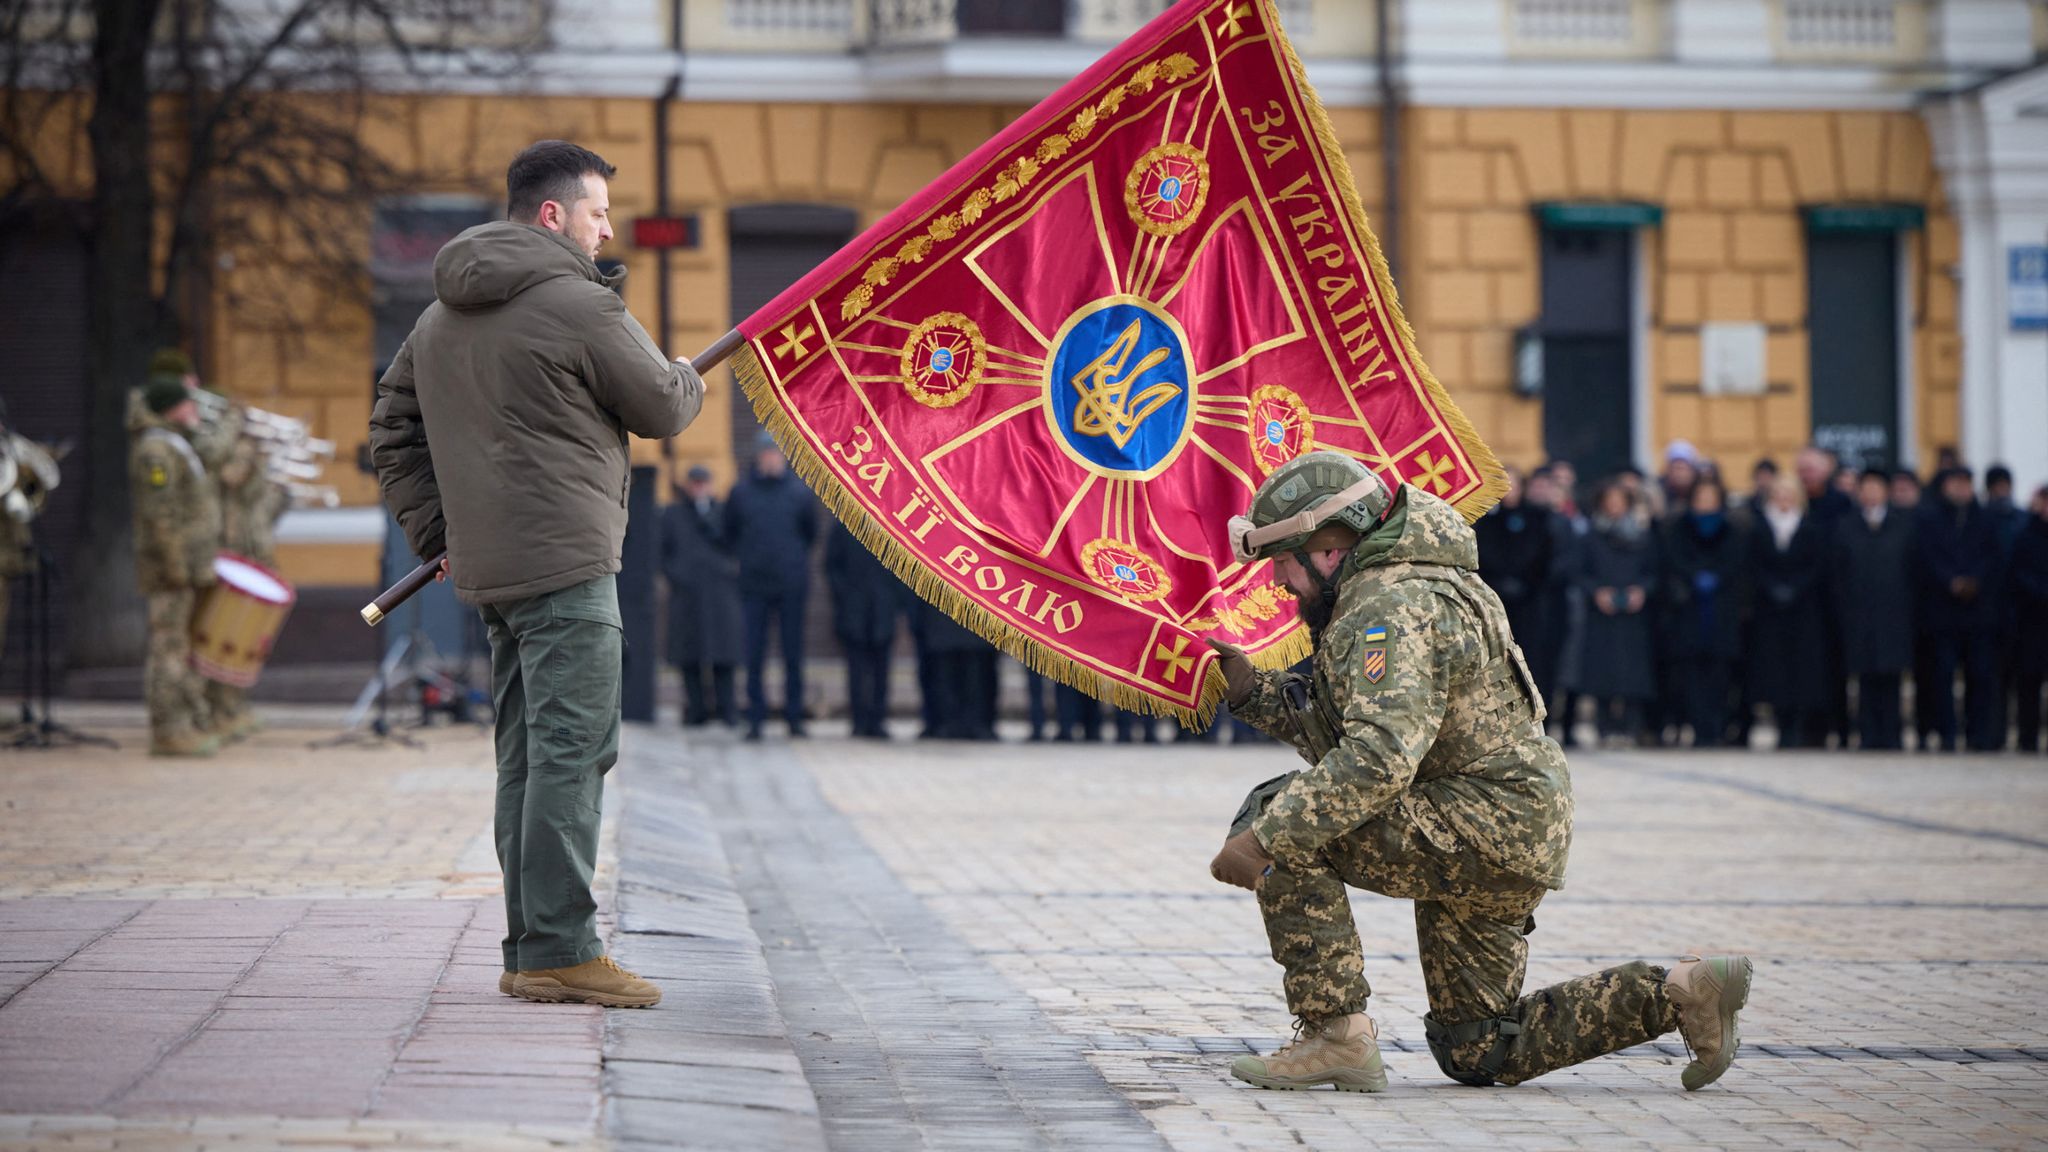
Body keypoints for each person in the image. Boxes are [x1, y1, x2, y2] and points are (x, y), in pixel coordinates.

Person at [1204, 452, 1751, 1094]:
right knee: (1479, 1048)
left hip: (1481, 822)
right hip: (1505, 823)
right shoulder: (1413, 582)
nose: (1278, 580)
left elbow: (1377, 757)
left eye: (1285, 560)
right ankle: (1683, 993)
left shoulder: (1389, 605)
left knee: (1279, 814)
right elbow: (1352, 730)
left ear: (1329, 548)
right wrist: (1250, 693)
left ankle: (1334, 1034)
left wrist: (1269, 841)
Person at [371, 140, 703, 1007]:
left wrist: (438, 533)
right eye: (597, 214)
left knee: (525, 757)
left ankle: (532, 948)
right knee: (572, 751)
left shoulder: (439, 314)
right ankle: (559, 947)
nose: (607, 231)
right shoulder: (577, 303)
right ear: (552, 216)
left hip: (491, 570)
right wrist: (684, 379)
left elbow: (391, 429)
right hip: (568, 562)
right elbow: (664, 405)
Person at [130, 377, 223, 757]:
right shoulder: (157, 449)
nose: (195, 410)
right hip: (172, 571)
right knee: (168, 648)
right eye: (187, 404)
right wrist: (176, 567)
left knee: (178, 646)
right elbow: (160, 516)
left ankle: (182, 723)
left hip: (188, 566)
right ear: (172, 407)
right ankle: (167, 729)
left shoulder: (175, 442)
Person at [725, 438, 818, 740]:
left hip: (791, 585)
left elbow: (810, 534)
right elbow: (730, 532)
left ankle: (794, 717)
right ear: (757, 458)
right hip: (754, 585)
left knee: (793, 653)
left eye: (776, 454)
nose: (771, 460)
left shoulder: (799, 493)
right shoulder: (741, 493)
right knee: (754, 653)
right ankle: (755, 718)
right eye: (766, 454)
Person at [1915, 467, 2004, 752]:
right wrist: (1950, 581)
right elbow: (1926, 558)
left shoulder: (1986, 518)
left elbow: (1993, 557)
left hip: (1978, 612)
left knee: (1979, 675)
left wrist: (1973, 581)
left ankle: (1978, 733)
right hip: (1942, 612)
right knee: (1942, 676)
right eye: (1955, 483)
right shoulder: (1930, 519)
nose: (1961, 489)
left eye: (1966, 483)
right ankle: (1947, 733)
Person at [1659, 477, 1748, 747]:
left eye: (1711, 497)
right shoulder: (1678, 529)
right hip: (1689, 611)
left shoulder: (1732, 531)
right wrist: (1693, 578)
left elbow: (1738, 566)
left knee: (1721, 674)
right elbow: (1672, 563)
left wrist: (1717, 578)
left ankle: (1717, 727)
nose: (1706, 502)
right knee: (1691, 674)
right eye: (1701, 497)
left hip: (1722, 612)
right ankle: (1698, 727)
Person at [1834, 469, 1916, 750]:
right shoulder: (1846, 526)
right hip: (1859, 615)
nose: (1870, 493)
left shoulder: (1902, 525)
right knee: (1865, 678)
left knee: (1891, 677)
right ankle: (1868, 734)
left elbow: (1912, 572)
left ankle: (1892, 735)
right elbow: (1838, 574)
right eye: (1865, 488)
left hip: (1894, 615)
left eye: (1876, 487)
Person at [1746, 476, 1831, 748]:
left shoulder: (1810, 529)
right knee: (1774, 671)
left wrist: (1795, 588)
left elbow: (1817, 566)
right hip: (1770, 611)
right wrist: (1773, 588)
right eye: (1779, 494)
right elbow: (1754, 566)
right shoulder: (1760, 529)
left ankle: (1798, 726)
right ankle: (1781, 724)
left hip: (1803, 610)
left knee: (1802, 671)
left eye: (1789, 494)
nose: (1784, 500)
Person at [1571, 481, 1658, 746]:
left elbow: (1654, 572)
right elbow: (1580, 572)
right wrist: (1597, 592)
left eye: (1619, 501)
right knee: (1602, 671)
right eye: (1610, 500)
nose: (1614, 506)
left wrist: (1641, 591)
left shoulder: (1642, 536)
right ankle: (1604, 726)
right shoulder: (1590, 536)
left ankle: (1631, 726)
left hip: (1634, 615)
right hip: (1602, 613)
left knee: (1633, 672)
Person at [659, 465, 741, 727]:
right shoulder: (673, 514)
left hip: (720, 596)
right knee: (689, 656)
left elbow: (734, 543)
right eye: (694, 484)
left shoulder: (723, 512)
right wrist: (677, 575)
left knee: (723, 656)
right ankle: (697, 711)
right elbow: (662, 552)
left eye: (703, 483)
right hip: (688, 597)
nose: (699, 489)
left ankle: (727, 710)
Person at [1473, 466, 1558, 706]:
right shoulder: (1486, 520)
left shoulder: (1538, 519)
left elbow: (1544, 557)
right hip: (1495, 598)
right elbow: (1481, 557)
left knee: (1532, 658)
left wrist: (1525, 584)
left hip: (1530, 600)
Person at [825, 525, 900, 739]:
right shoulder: (844, 527)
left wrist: (895, 602)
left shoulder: (891, 526)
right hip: (854, 610)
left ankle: (878, 719)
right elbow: (832, 567)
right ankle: (858, 720)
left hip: (883, 609)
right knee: (856, 670)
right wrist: (843, 597)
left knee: (881, 671)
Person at [2009, 487, 2048, 753]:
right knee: (2029, 682)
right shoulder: (2025, 534)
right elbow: (2016, 573)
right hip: (2032, 621)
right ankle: (2027, 738)